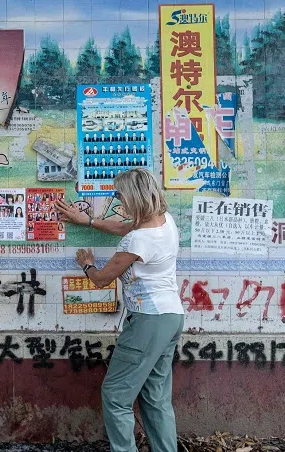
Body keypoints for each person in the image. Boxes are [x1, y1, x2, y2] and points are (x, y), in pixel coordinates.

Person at [55, 168, 184, 452]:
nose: (117, 199)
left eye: (119, 194)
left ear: (134, 197)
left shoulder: (138, 240)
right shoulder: (164, 222)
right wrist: (88, 221)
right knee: (155, 397)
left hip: (148, 321)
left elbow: (102, 279)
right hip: (172, 316)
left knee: (115, 396)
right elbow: (124, 228)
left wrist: (87, 264)